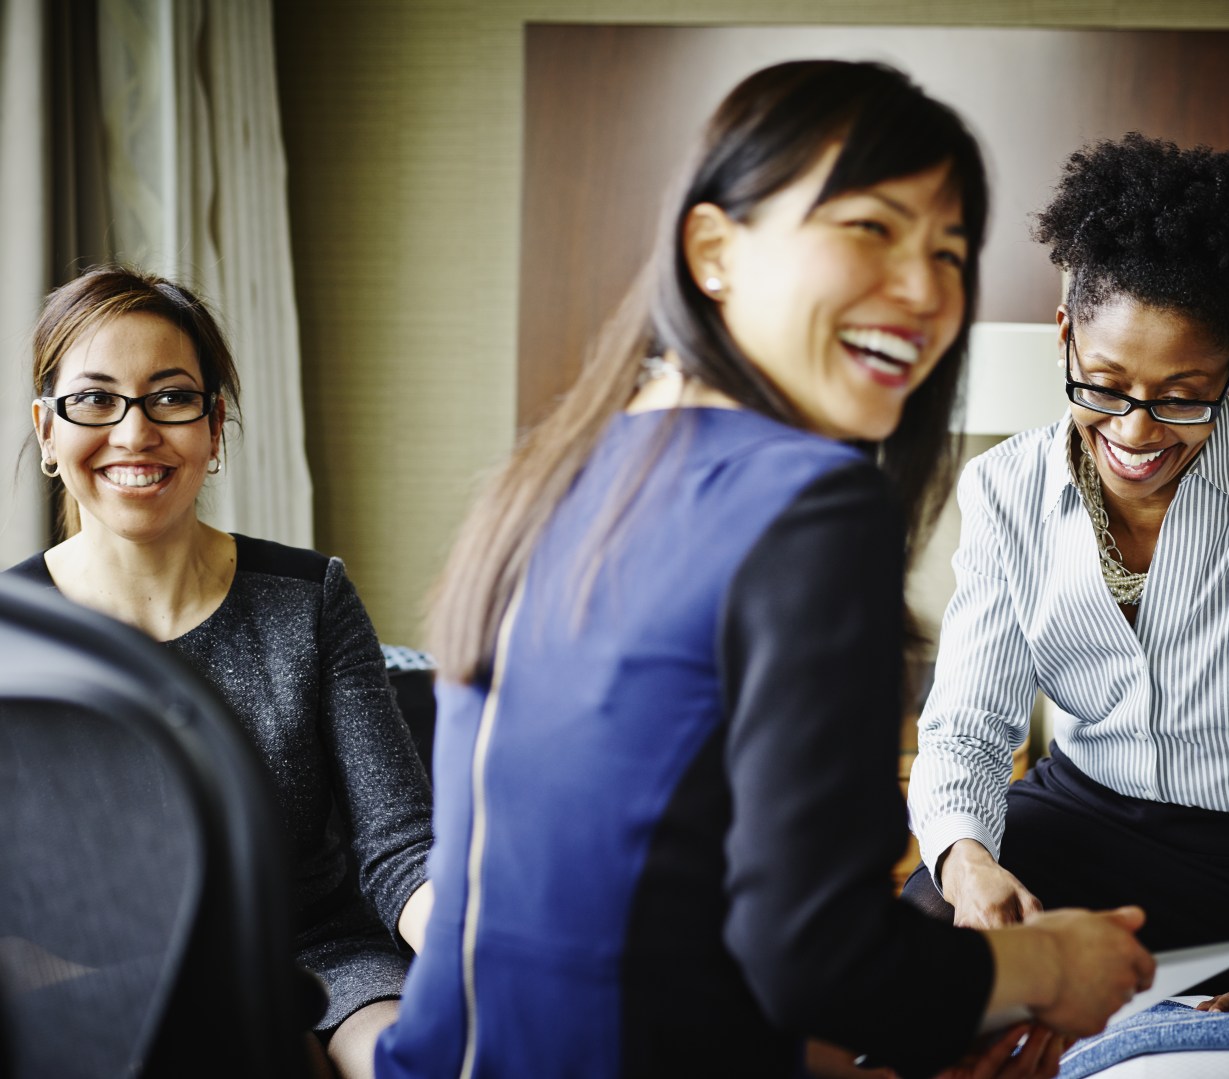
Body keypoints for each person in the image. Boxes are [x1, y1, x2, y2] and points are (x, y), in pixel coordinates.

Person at [374, 60, 1153, 1079]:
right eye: (870, 228)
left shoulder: (562, 468)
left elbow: (649, 928)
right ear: (713, 250)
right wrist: (1049, 960)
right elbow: (813, 956)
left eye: (950, 251)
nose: (925, 290)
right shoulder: (809, 503)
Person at [904, 132, 1229, 1013]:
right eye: (1104, 384)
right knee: (920, 957)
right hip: (1078, 810)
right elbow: (965, 726)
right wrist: (967, 860)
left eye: (1183, 395)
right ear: (1064, 336)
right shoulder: (1004, 488)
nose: (1137, 433)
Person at [9, 265, 436, 1079]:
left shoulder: (311, 596)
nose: (135, 433)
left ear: (213, 425)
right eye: (96, 399)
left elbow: (401, 847)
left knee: (417, 1061)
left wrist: (482, 947)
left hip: (320, 956)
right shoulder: (12, 632)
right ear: (48, 430)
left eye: (169, 397)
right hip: (96, 975)